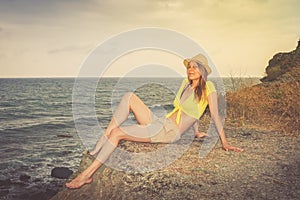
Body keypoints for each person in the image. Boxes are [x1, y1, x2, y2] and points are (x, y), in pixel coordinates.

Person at [66, 53, 243, 189]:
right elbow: (187, 110)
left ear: (202, 71)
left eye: (195, 67)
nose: (190, 69)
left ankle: (86, 176)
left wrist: (224, 143)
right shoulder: (185, 84)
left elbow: (213, 115)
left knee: (118, 133)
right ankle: (102, 140)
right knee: (129, 96)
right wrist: (196, 132)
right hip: (160, 123)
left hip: (169, 132)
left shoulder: (208, 87)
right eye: (189, 66)